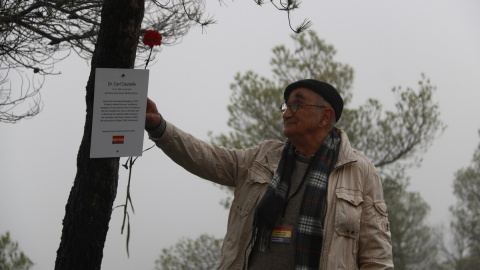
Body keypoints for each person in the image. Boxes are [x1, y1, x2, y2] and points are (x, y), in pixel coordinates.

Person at [145, 79, 394, 270]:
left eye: (296, 104)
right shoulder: (263, 157)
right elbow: (208, 158)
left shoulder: (359, 170)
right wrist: (160, 127)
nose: (286, 113)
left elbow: (376, 259)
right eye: (286, 106)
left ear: (325, 117)